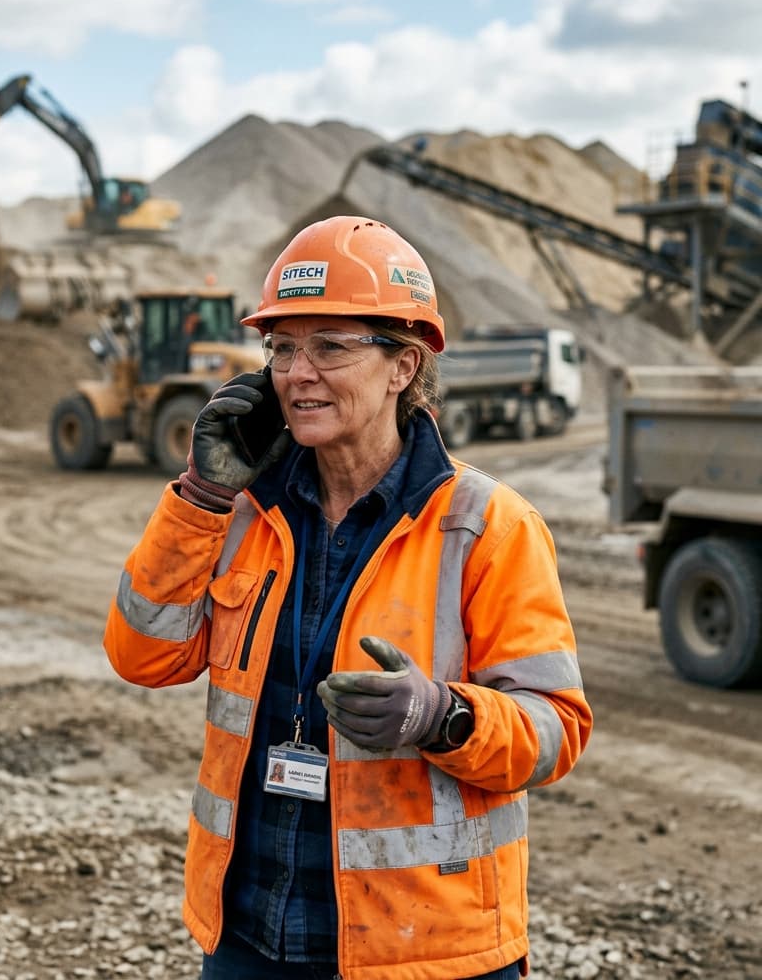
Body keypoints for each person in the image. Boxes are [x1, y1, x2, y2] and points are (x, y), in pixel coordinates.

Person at [103, 215, 593, 980]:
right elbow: (142, 656)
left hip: (427, 950)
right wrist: (199, 494)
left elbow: (556, 731)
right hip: (250, 939)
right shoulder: (238, 513)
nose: (298, 373)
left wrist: (443, 715)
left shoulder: (488, 525)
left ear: (403, 365)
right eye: (283, 348)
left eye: (330, 346)